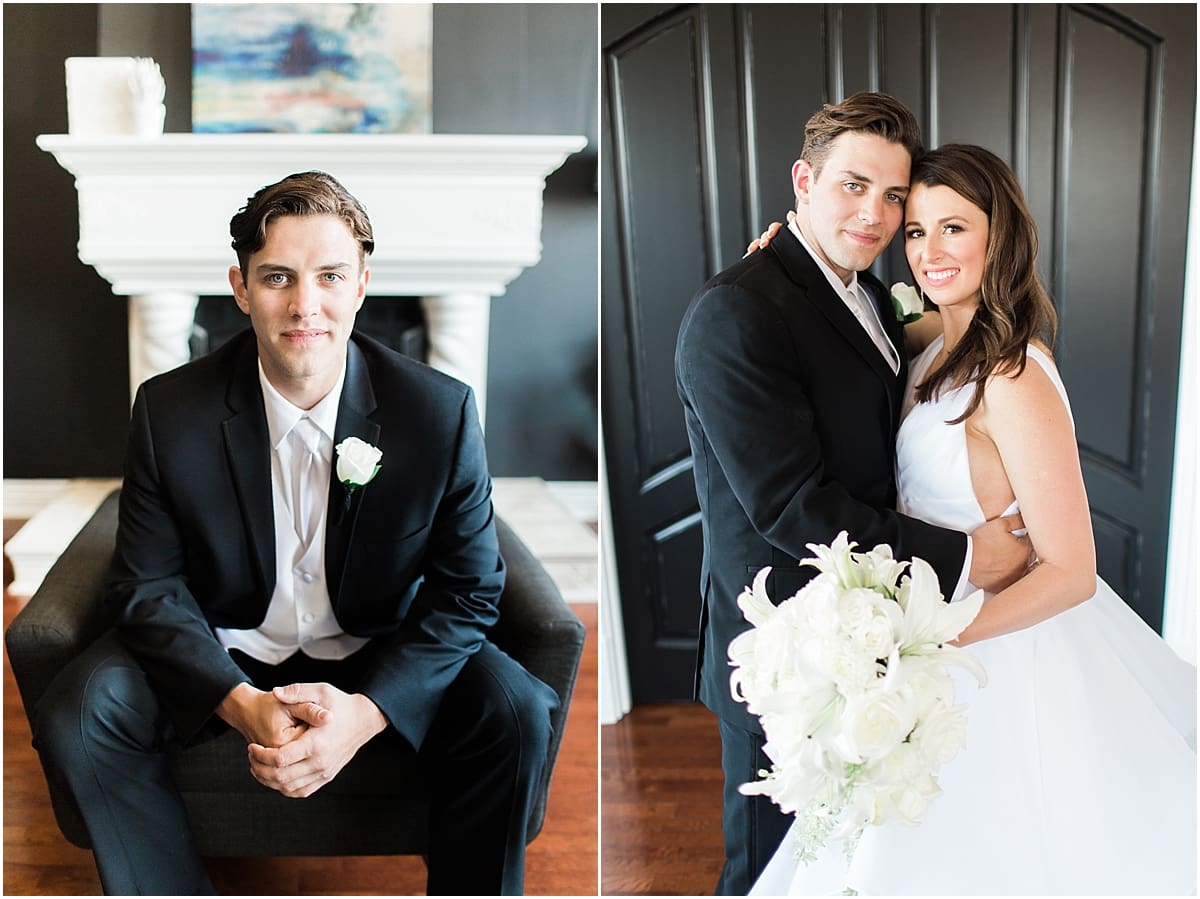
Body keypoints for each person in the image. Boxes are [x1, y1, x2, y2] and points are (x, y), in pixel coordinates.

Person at [32, 171, 559, 896]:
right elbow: (146, 585)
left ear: (362, 285)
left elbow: (469, 590)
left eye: (330, 276)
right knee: (81, 708)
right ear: (241, 287)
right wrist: (239, 700)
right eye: (277, 277)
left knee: (519, 710)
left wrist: (367, 713)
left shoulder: (438, 412)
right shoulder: (168, 410)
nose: (305, 304)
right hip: (229, 649)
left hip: (379, 646)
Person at [747, 144, 1197, 894]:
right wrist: (776, 265)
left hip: (994, 648)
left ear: (1000, 236)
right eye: (916, 231)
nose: (929, 251)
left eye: (953, 228)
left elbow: (1071, 571)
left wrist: (933, 637)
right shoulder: (928, 343)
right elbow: (843, 323)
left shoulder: (1014, 376)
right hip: (931, 633)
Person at [673, 92, 1031, 895]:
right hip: (788, 650)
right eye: (852, 185)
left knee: (849, 863)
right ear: (804, 180)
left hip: (874, 636)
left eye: (894, 196)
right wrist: (972, 553)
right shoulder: (736, 312)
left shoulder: (866, 293)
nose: (874, 214)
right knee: (772, 868)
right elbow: (792, 506)